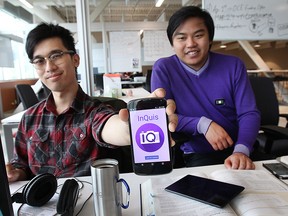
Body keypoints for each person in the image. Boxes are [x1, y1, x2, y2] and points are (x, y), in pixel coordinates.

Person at [6, 22, 177, 182]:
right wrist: (15, 173)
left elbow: (113, 127)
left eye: (56, 55)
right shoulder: (29, 118)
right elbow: (21, 165)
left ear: (75, 60)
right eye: (40, 61)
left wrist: (135, 127)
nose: (49, 67)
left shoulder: (95, 111)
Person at [151, 6, 260, 170]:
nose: (191, 44)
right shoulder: (164, 68)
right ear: (172, 43)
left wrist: (241, 151)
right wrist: (202, 124)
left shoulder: (233, 65)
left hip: (240, 148)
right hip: (197, 152)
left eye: (198, 35)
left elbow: (249, 112)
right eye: (181, 38)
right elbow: (162, 116)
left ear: (210, 38)